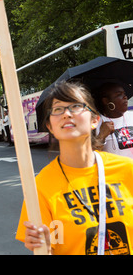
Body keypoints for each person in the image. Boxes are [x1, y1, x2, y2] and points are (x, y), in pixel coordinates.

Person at [16, 81, 133, 255]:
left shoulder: (127, 170)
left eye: (76, 106)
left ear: (95, 120)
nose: (66, 114)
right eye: (57, 109)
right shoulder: (40, 187)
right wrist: (44, 248)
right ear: (50, 127)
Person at [93, 82, 133, 158]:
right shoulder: (96, 123)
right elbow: (92, 156)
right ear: (106, 101)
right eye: (119, 95)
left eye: (124, 93)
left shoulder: (131, 116)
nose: (125, 97)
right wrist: (101, 136)